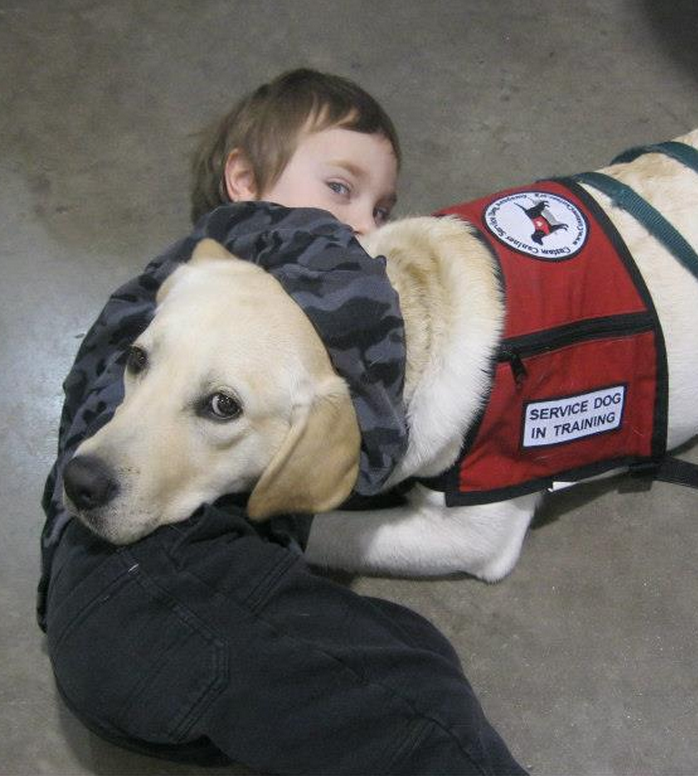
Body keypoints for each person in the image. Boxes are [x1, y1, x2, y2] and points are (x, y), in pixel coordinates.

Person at [38, 68, 526, 775]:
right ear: (243, 180)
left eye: (383, 208)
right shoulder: (265, 254)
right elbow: (360, 408)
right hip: (144, 583)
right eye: (340, 187)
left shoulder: (190, 286)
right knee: (419, 713)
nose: (365, 225)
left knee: (415, 654)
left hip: (139, 614)